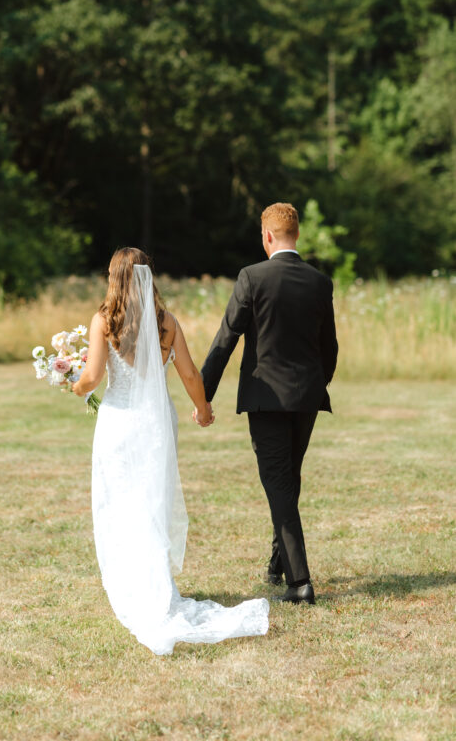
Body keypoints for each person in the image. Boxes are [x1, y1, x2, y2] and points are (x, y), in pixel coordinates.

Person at [72, 247, 269, 655]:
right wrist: (203, 408)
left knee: (120, 501)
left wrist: (72, 383)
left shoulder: (103, 320)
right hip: (157, 421)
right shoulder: (166, 323)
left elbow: (92, 377)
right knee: (152, 499)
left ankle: (134, 586)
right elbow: (190, 373)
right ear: (148, 276)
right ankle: (154, 584)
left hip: (118, 422)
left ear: (114, 277)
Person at [201, 203, 338, 605]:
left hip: (266, 399)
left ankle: (300, 583)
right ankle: (279, 562)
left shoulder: (252, 277)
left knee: (279, 485)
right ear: (296, 234)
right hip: (307, 398)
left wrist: (203, 394)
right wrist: (315, 385)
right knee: (287, 480)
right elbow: (328, 347)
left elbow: (226, 339)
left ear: (267, 236)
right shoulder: (319, 281)